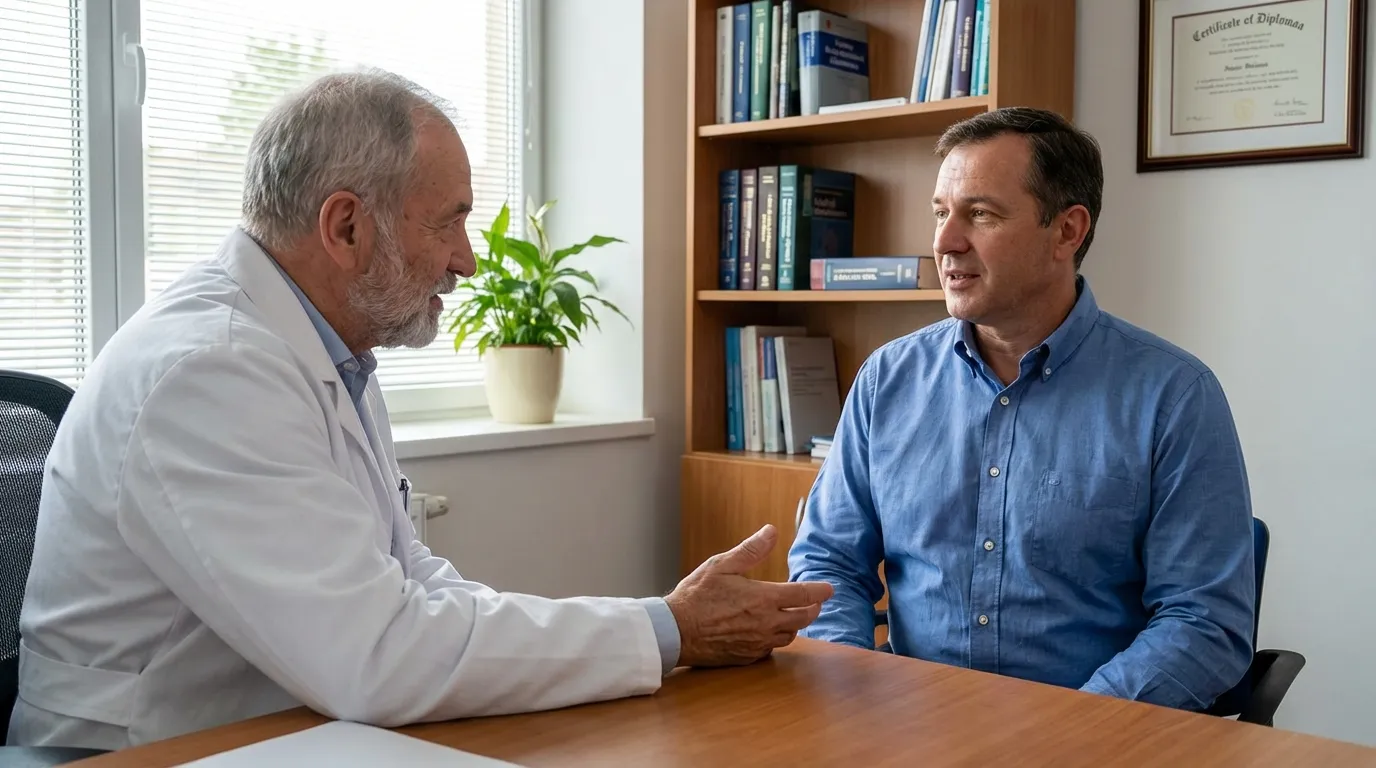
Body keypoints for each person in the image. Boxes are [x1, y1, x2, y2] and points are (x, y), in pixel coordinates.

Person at [8, 69, 833, 751]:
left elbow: (413, 584)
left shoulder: (324, 347)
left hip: (277, 727)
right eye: (451, 223)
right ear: (346, 226)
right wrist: (669, 632)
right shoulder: (211, 371)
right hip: (141, 749)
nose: (468, 260)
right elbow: (377, 657)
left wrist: (651, 626)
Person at [786, 106, 1255, 711]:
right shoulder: (887, 379)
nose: (945, 242)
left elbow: (1204, 623)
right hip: (908, 728)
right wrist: (852, 688)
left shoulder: (1173, 395)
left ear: (1067, 231)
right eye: (940, 213)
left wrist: (1068, 734)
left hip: (1092, 736)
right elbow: (829, 563)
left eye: (980, 214)